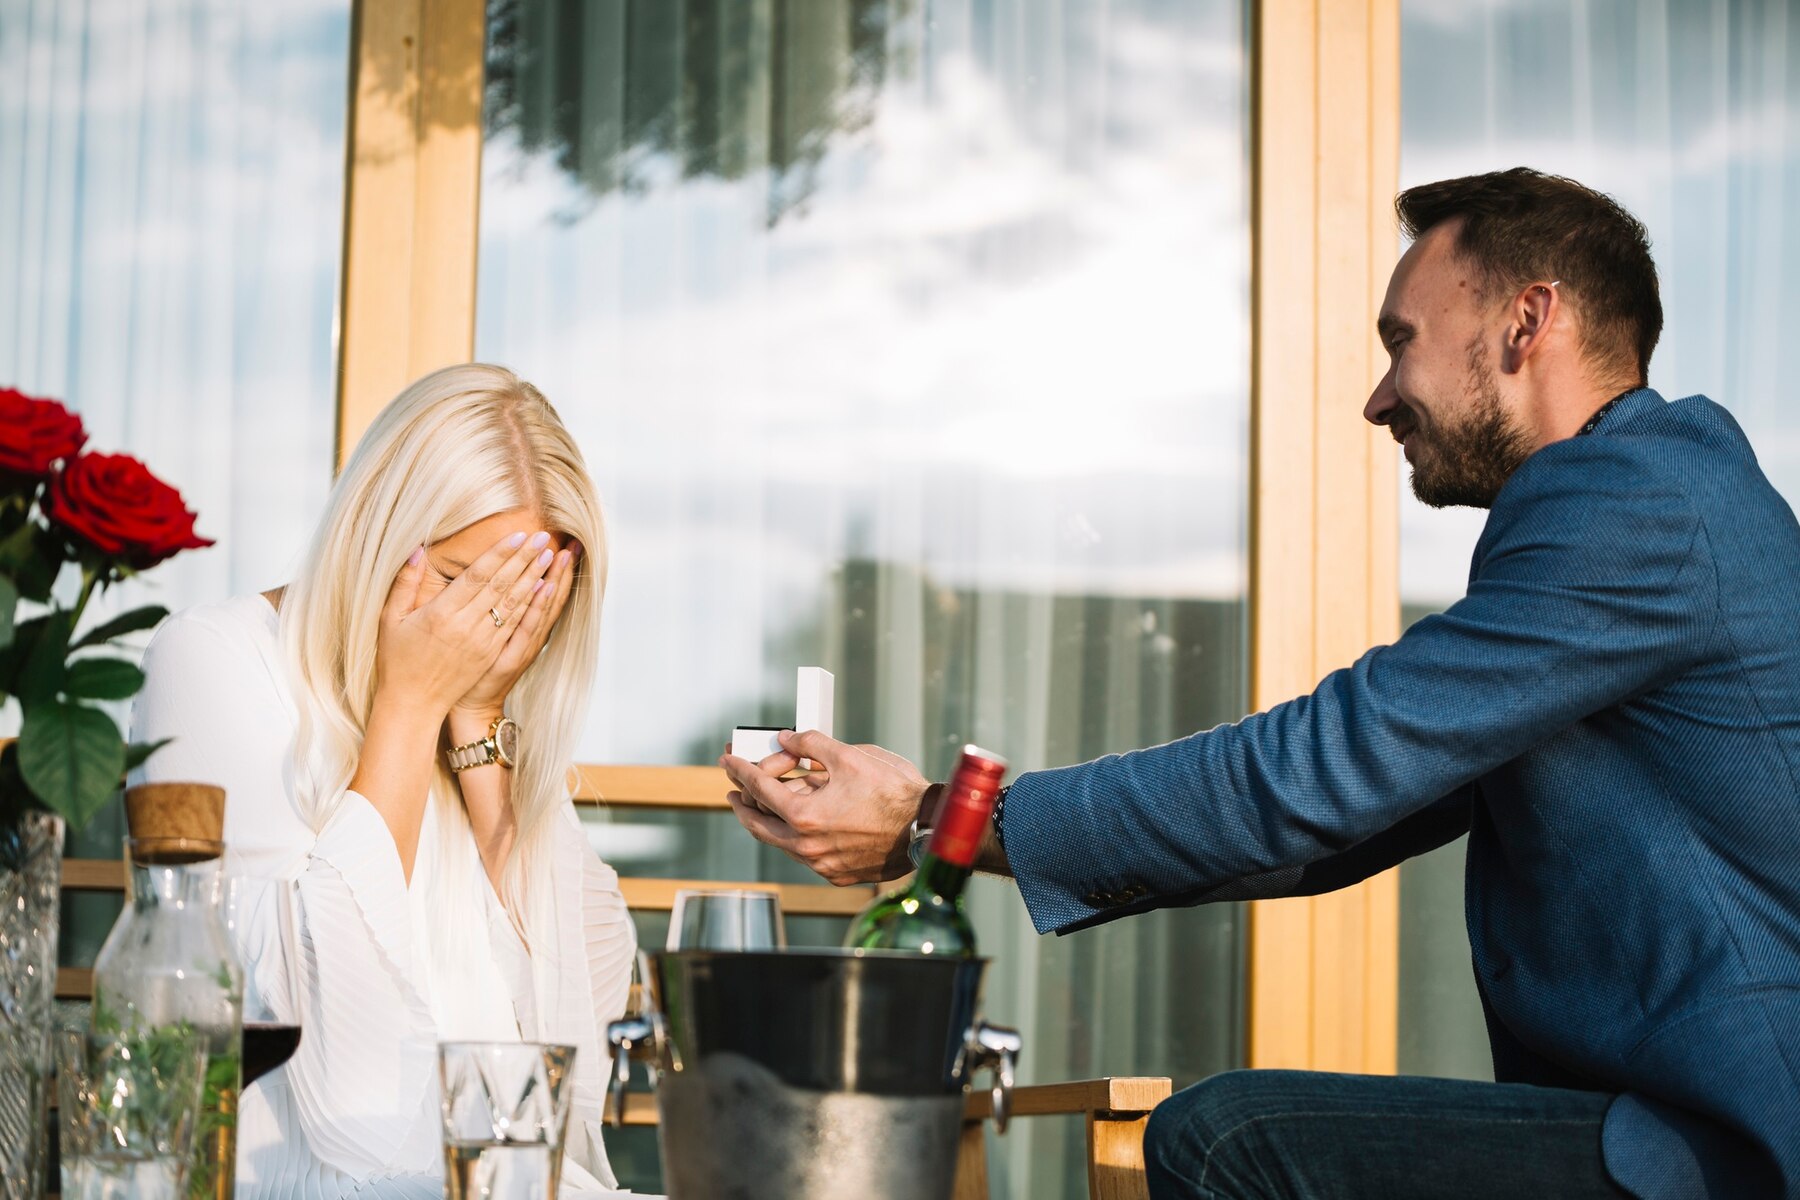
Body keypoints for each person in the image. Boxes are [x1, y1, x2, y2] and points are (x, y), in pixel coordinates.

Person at [720, 169, 1800, 1200]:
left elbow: (1314, 773)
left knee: (1234, 1145)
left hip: (1734, 1145)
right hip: (1681, 1131)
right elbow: (1325, 826)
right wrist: (940, 830)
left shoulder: (1635, 498)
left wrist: (932, 818)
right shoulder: (1634, 516)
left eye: (1402, 341)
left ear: (1527, 322)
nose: (1380, 400)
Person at [131, 364, 638, 1197]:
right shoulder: (217, 659)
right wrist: (408, 708)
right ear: (379, 531)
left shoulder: (486, 717)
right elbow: (341, 1072)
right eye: (460, 584)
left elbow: (585, 1009)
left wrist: (476, 718)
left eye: (525, 600)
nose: (488, 627)